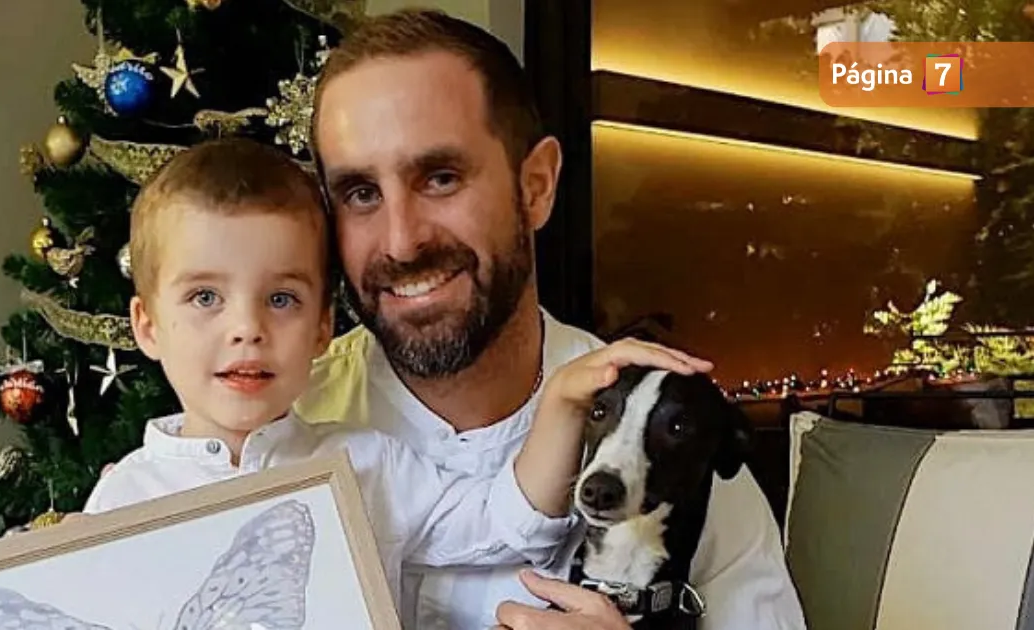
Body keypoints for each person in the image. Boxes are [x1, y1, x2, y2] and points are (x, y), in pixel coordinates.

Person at [0, 138, 705, 630]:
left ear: (325, 326)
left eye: (283, 298)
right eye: (204, 297)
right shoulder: (121, 498)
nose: (247, 327)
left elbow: (504, 521)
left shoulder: (369, 462)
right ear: (147, 326)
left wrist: (562, 403)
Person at [293, 8, 808, 630]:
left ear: (536, 186)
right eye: (360, 193)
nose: (402, 242)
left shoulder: (676, 437)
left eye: (441, 178)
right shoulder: (274, 429)